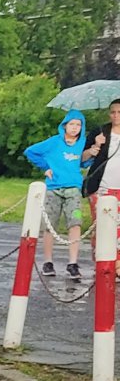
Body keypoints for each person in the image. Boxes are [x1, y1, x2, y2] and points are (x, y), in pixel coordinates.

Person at [24, 108, 92, 281]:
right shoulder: (54, 142)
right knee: (50, 225)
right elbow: (31, 151)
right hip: (54, 187)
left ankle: (73, 263)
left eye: (78, 125)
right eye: (72, 124)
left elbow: (85, 162)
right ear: (65, 125)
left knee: (75, 223)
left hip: (73, 188)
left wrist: (93, 152)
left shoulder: (83, 143)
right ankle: (48, 261)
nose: (75, 128)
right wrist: (45, 168)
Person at [82, 98, 120, 225]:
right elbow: (82, 158)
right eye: (113, 112)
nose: (116, 116)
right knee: (100, 228)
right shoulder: (99, 131)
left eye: (119, 112)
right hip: (101, 186)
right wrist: (95, 147)